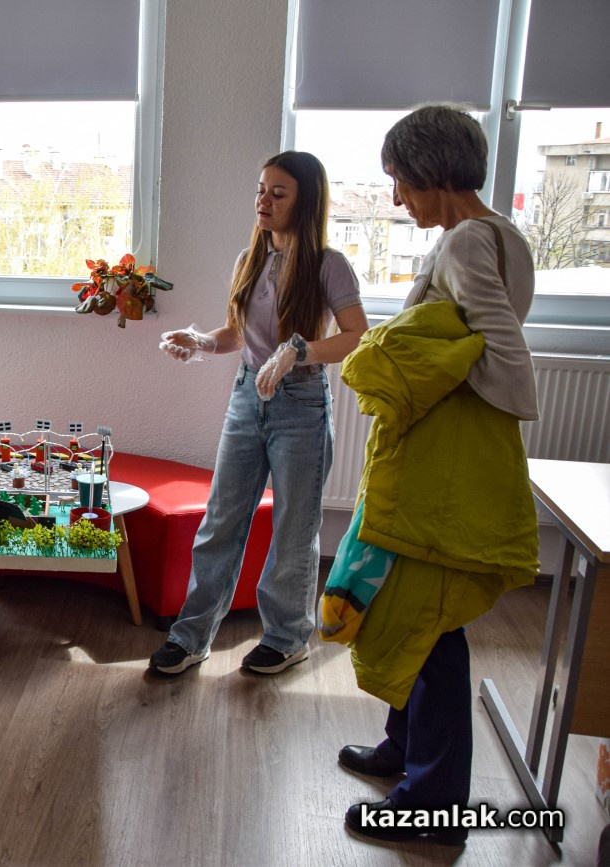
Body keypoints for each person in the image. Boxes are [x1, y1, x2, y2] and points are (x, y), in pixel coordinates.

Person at [336, 104, 540, 846]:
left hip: (445, 465)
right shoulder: (505, 235)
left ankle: (434, 802)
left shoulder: (464, 241)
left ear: (431, 171)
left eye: (400, 180)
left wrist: (455, 397)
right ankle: (404, 747)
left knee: (432, 624)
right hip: (448, 459)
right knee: (414, 609)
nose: (397, 198)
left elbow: (503, 353)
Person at [148, 150, 369, 676]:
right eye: (260, 190)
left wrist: (300, 351)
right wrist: (200, 341)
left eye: (278, 193)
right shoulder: (249, 259)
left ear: (305, 201)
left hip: (302, 404)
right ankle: (191, 636)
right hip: (247, 397)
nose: (263, 201)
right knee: (221, 520)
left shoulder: (329, 265)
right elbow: (236, 333)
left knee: (294, 529)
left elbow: (357, 336)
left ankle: (287, 638)